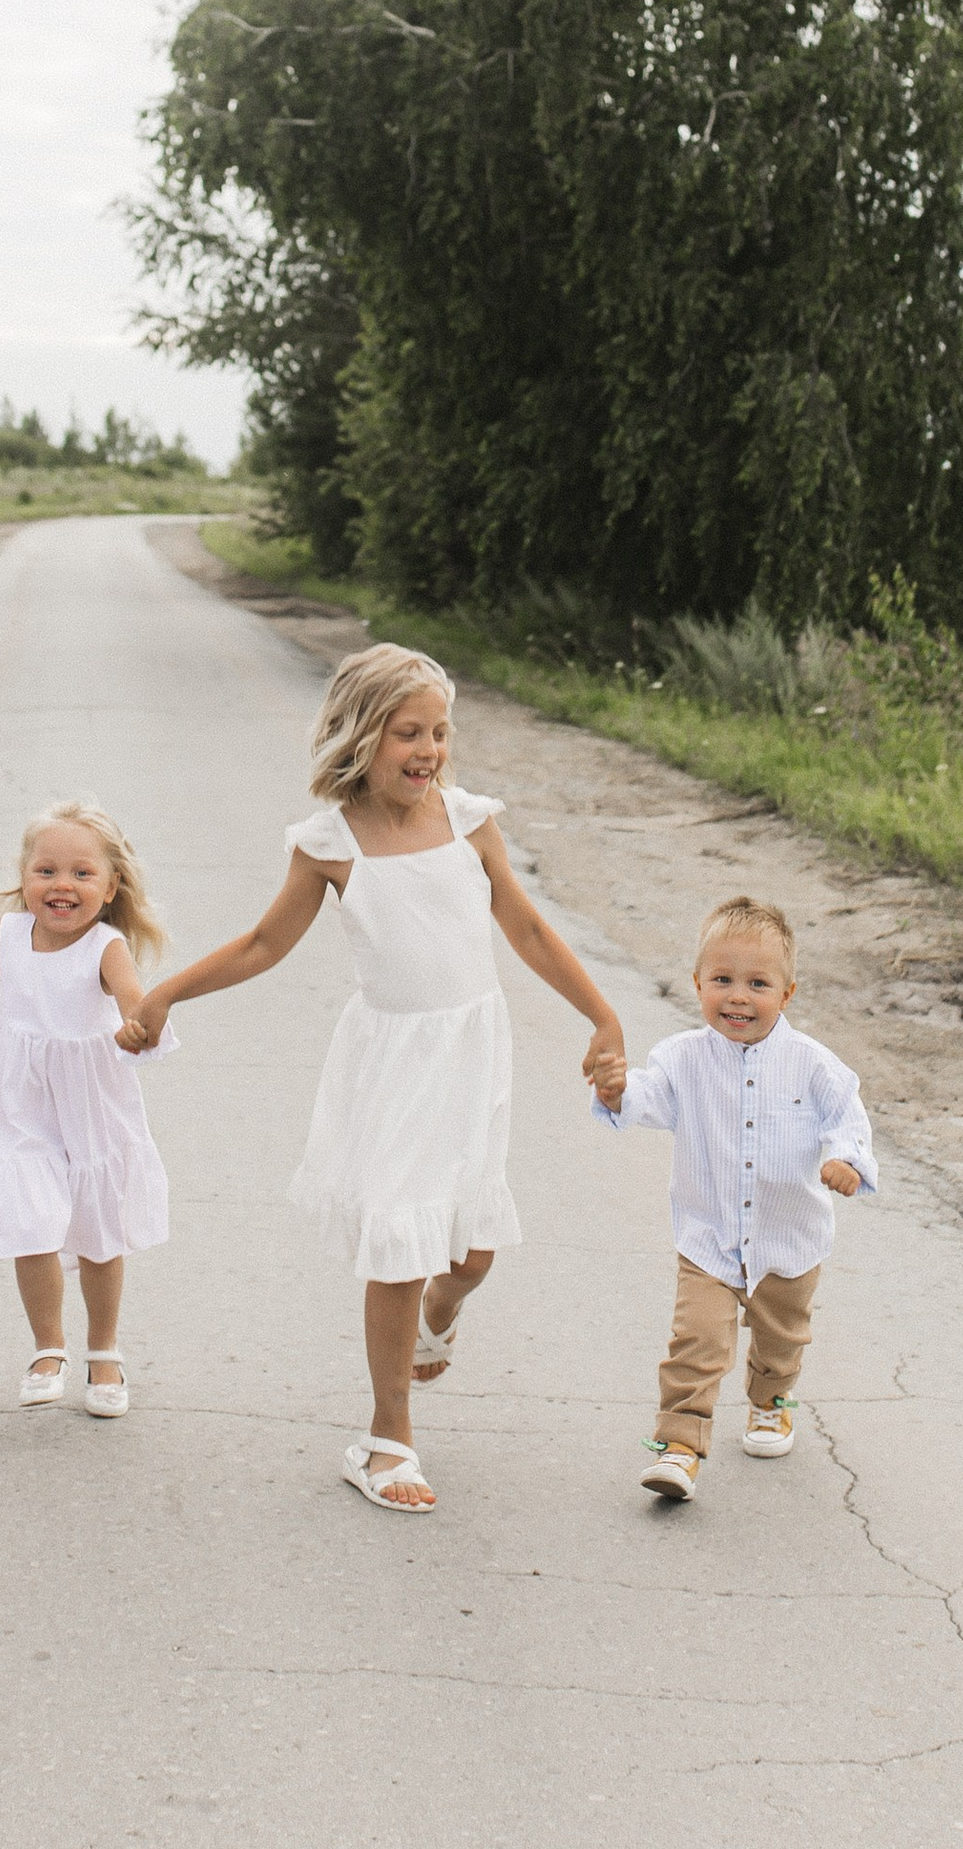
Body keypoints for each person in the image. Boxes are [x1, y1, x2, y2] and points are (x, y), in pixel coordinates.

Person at [122, 643, 624, 1513]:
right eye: (408, 733)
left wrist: (602, 1016)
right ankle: (387, 1441)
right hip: (394, 1064)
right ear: (361, 736)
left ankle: (440, 1312)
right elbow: (263, 944)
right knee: (399, 1247)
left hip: (471, 1057)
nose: (429, 751)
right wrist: (164, 994)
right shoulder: (330, 843)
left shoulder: (468, 821)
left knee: (470, 1253)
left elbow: (529, 929)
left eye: (439, 733)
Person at [595, 895, 875, 1502]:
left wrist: (846, 1161)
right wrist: (618, 1092)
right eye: (722, 980)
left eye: (758, 984)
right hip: (710, 1237)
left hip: (789, 1237)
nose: (738, 997)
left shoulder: (813, 1066)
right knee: (695, 1340)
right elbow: (647, 1097)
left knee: (781, 1339)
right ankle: (679, 1445)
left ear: (787, 993)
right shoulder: (681, 1059)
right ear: (697, 983)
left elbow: (846, 1118)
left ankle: (771, 1402)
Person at [0, 798, 172, 1416]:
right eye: (46, 871)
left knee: (98, 1233)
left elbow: (133, 997)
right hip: (21, 1103)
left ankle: (104, 1350)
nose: (62, 885)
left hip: (91, 1106)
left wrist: (137, 1025)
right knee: (27, 1222)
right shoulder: (10, 935)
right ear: (25, 877)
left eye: (82, 873)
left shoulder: (106, 946)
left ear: (110, 887)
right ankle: (47, 1345)